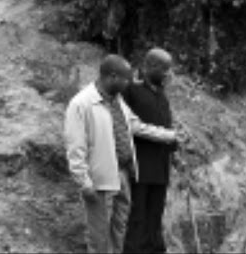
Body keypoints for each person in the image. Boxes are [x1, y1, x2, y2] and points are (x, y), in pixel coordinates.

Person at [64, 54, 182, 253]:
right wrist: (84, 182)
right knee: (99, 236)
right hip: (99, 180)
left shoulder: (117, 100)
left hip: (123, 175)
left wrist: (171, 135)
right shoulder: (81, 104)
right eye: (126, 79)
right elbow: (75, 148)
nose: (129, 83)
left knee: (119, 230)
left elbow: (136, 126)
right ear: (112, 77)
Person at [122, 48, 179, 253]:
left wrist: (175, 149)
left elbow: (167, 128)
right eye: (165, 69)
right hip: (139, 167)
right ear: (151, 66)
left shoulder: (162, 96)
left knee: (155, 216)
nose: (168, 73)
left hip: (160, 169)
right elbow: (126, 126)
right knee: (137, 217)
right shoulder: (131, 91)